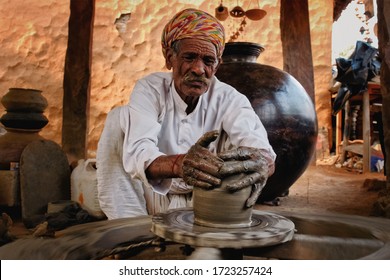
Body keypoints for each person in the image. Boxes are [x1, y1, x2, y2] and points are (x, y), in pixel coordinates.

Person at [97, 8, 276, 220]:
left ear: (217, 66)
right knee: (118, 118)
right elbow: (139, 151)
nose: (199, 69)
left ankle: (221, 231)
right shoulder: (150, 89)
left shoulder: (229, 99)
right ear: (169, 58)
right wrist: (179, 164)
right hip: (153, 198)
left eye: (208, 61)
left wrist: (261, 160)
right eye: (189, 57)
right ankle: (130, 231)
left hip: (208, 201)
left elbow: (263, 152)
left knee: (244, 151)